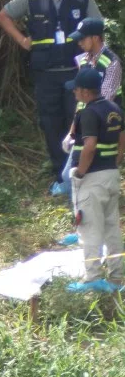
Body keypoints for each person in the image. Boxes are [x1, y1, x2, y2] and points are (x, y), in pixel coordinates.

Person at [0, 0, 102, 195]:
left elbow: (99, 29)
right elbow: (3, 17)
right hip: (45, 75)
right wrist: (22, 40)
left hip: (76, 73)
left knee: (79, 123)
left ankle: (82, 174)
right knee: (50, 124)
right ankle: (61, 178)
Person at [65, 68, 125, 293]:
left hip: (92, 179)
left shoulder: (89, 113)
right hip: (110, 174)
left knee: (89, 228)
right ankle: (117, 277)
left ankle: (92, 279)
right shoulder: (114, 109)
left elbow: (89, 146)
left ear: (85, 92)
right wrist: (114, 163)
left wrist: (80, 172)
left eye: (76, 89)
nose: (74, 93)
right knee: (112, 229)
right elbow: (122, 140)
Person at [60, 18, 122, 194]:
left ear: (95, 38)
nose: (79, 43)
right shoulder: (83, 61)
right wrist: (71, 132)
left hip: (103, 126)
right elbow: (81, 100)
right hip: (85, 124)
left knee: (86, 172)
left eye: (82, 39)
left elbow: (106, 100)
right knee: (70, 175)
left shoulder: (112, 62)